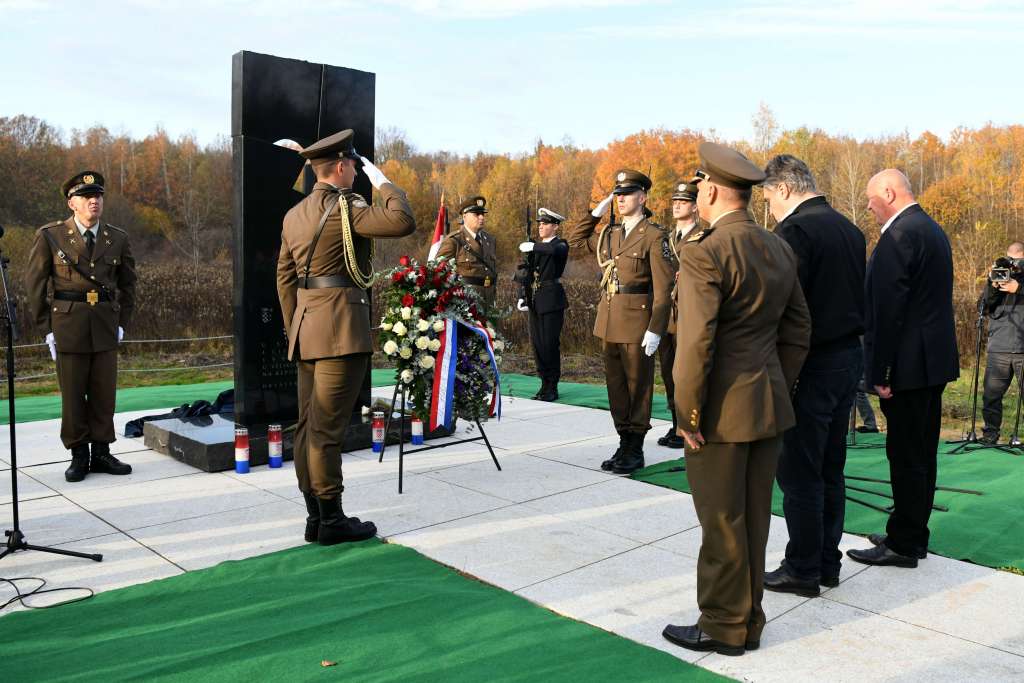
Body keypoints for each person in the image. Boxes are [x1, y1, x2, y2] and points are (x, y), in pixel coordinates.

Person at [662, 142, 810, 656]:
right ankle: (748, 619)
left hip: (720, 413)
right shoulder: (778, 247)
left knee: (722, 521)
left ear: (711, 191)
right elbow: (798, 332)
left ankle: (723, 626)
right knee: (753, 517)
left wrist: (689, 412)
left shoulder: (705, 251)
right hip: (766, 405)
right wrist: (775, 386)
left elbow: (695, 343)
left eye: (700, 186)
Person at [277, 129, 415, 545]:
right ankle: (332, 519)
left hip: (307, 330)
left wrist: (297, 324)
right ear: (341, 166)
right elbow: (401, 219)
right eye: (354, 164)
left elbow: (284, 278)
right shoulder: (344, 208)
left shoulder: (294, 214)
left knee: (307, 427)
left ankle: (314, 517)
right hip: (340, 331)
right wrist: (381, 177)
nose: (356, 170)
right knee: (325, 431)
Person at [758, 154, 865, 598]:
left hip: (811, 362)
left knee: (800, 471)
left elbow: (782, 304)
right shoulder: (850, 228)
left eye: (767, 196)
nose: (767, 207)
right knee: (830, 467)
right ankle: (826, 560)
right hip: (846, 358)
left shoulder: (796, 231)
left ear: (783, 188)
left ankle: (802, 568)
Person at [848, 169, 959, 568]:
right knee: (922, 454)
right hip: (931, 363)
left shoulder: (898, 236)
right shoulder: (930, 229)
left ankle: (905, 543)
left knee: (907, 455)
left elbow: (888, 313)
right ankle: (911, 530)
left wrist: (880, 372)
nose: (869, 206)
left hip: (907, 368)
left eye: (871, 198)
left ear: (890, 193)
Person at [25, 171, 137, 482]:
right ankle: (79, 454)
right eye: (87, 196)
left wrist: (122, 323)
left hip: (104, 323)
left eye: (98, 195)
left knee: (104, 392)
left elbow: (129, 286)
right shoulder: (51, 235)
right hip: (68, 324)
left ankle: (101, 452)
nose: (94, 201)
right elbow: (35, 285)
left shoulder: (117, 237)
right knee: (73, 394)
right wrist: (46, 328)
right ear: (72, 202)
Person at [566, 169, 674, 474]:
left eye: (626, 194)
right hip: (610, 319)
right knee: (616, 386)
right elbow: (575, 241)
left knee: (637, 386)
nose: (621, 199)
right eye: (618, 195)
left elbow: (664, 289)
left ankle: (635, 447)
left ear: (642, 197)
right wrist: (595, 213)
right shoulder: (609, 234)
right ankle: (623, 441)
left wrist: (656, 328)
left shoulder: (654, 236)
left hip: (638, 321)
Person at [656, 180, 701, 449]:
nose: (676, 206)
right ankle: (675, 425)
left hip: (689, 312)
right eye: (674, 202)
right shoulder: (667, 238)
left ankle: (689, 425)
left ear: (695, 207)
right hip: (667, 314)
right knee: (669, 372)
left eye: (682, 202)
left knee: (686, 373)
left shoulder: (705, 235)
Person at [517, 208, 569, 401]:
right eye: (539, 223)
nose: (541, 226)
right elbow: (525, 272)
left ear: (555, 226)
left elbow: (553, 250)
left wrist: (533, 247)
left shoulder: (560, 244)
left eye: (545, 223)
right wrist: (522, 295)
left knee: (550, 344)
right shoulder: (535, 246)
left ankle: (552, 386)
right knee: (538, 345)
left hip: (551, 299)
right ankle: (543, 383)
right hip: (535, 300)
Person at [980, 242, 1024, 444]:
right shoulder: (1000, 276)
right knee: (991, 397)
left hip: (1022, 348)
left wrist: (1019, 289)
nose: (1013, 265)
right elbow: (983, 307)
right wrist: (992, 285)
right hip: (999, 347)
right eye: (1010, 259)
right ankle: (990, 435)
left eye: (1017, 260)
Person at [435, 196, 498, 307]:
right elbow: (438, 272)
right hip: (466, 302)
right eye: (476, 214)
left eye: (483, 214)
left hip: (489, 300)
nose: (481, 217)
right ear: (464, 216)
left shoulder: (490, 240)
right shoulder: (454, 240)